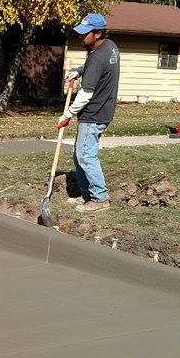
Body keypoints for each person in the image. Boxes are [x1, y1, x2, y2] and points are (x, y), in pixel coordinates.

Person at [56, 13, 120, 212]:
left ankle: (100, 198)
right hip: (104, 109)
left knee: (86, 155)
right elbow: (92, 67)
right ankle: (87, 194)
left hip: (94, 113)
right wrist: (79, 70)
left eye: (85, 34)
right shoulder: (109, 47)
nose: (80, 37)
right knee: (80, 153)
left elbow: (85, 94)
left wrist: (67, 114)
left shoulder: (98, 57)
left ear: (98, 34)